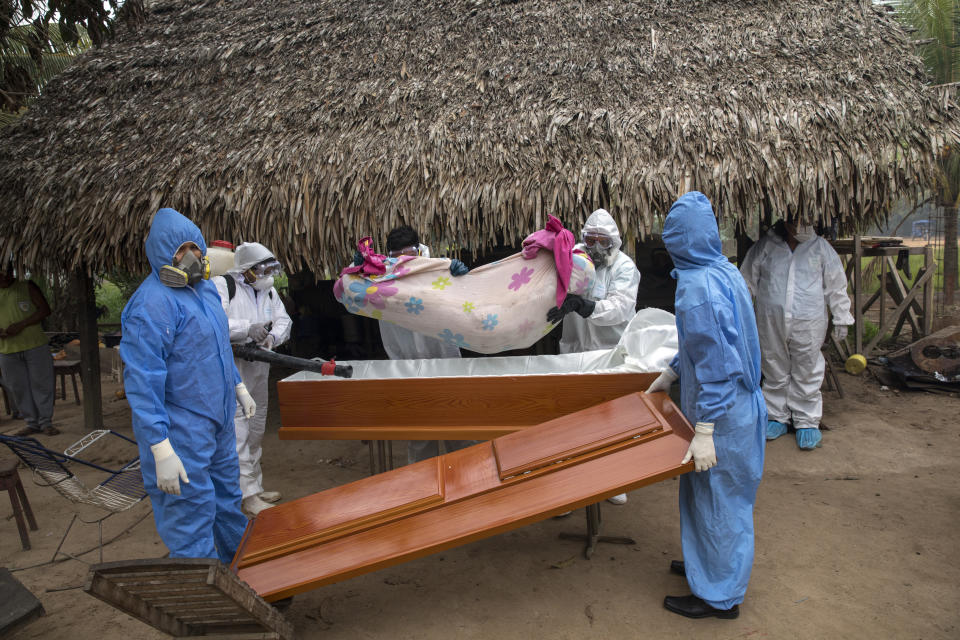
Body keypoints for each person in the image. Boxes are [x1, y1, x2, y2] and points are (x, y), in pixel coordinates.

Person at [645, 191, 766, 619]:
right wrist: (675, 370)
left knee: (721, 502)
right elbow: (711, 345)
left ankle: (719, 597)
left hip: (724, 411)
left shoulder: (696, 289)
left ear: (678, 240)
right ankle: (707, 565)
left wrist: (707, 428)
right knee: (705, 493)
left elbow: (717, 365)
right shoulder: (723, 270)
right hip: (737, 405)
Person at [120, 208, 256, 564]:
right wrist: (159, 447)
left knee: (227, 500)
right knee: (189, 514)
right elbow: (142, 380)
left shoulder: (206, 290)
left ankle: (242, 572)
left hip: (218, 420)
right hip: (180, 431)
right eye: (183, 248)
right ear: (165, 254)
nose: (193, 255)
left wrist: (238, 386)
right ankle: (206, 596)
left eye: (196, 245)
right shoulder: (151, 305)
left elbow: (217, 348)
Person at [548, 208, 640, 505]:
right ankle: (571, 488)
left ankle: (612, 479)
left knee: (611, 417)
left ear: (614, 242)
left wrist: (586, 307)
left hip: (609, 351)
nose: (596, 248)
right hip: (576, 349)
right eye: (591, 240)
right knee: (574, 420)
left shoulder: (624, 268)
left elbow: (621, 307)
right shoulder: (572, 261)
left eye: (603, 241)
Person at [739, 216, 853, 450]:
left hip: (808, 320)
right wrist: (738, 312)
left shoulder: (821, 248)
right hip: (770, 319)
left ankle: (807, 421)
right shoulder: (766, 246)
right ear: (786, 222)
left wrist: (842, 316)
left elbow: (836, 285)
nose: (802, 226)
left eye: (807, 220)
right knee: (773, 365)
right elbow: (746, 281)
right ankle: (776, 416)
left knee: (807, 365)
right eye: (797, 221)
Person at [376, 225, 473, 464]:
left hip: (446, 363)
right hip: (408, 367)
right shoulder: (380, 278)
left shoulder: (440, 270)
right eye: (396, 255)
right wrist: (358, 271)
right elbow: (348, 288)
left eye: (408, 254)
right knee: (419, 434)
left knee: (458, 429)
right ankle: (424, 490)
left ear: (419, 250)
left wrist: (459, 278)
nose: (403, 261)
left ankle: (464, 484)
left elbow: (466, 302)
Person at [215, 242, 292, 516]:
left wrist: (272, 337)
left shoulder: (268, 291)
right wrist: (246, 329)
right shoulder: (223, 286)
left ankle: (255, 488)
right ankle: (246, 496)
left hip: (260, 366)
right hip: (233, 369)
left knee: (256, 428)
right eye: (264, 268)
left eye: (272, 268)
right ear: (247, 269)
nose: (268, 274)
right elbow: (213, 322)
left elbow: (284, 321)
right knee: (239, 430)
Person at [0, 263, 57, 436]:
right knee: (18, 387)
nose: (5, 277)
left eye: (8, 272)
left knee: (42, 384)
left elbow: (45, 310)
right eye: (1, 274)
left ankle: (46, 422)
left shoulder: (26, 286)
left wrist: (21, 325)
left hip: (35, 346)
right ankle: (31, 423)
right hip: (7, 349)